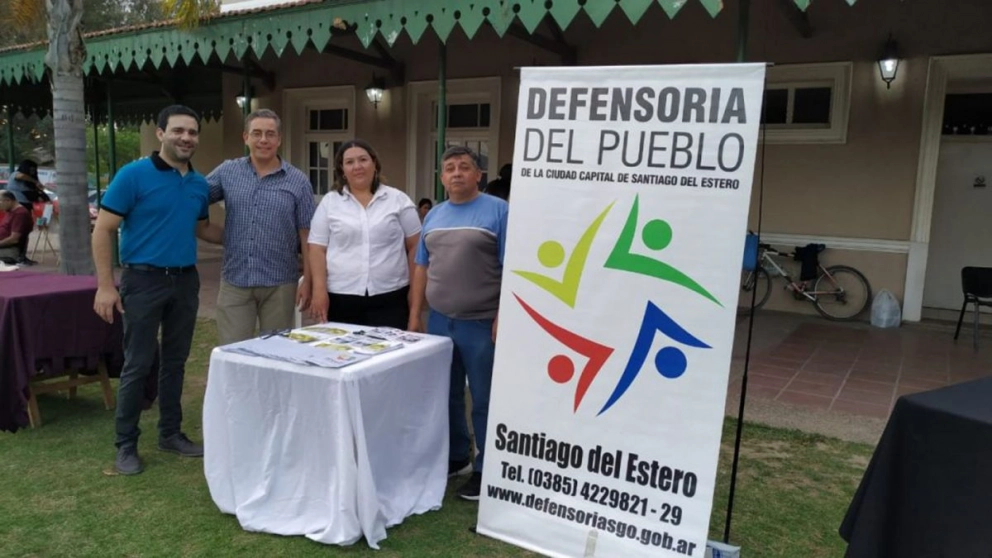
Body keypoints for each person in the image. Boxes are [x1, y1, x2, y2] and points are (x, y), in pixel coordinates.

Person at [92, 105, 223, 476]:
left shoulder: (199, 184)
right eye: (179, 130)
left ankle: (170, 433)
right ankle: (125, 444)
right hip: (143, 280)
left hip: (185, 280)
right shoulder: (133, 175)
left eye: (193, 132)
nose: (187, 138)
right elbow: (103, 230)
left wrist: (251, 236)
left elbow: (203, 230)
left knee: (176, 361)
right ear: (161, 133)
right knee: (138, 362)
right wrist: (105, 285)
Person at [409, 145, 508, 501]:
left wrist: (503, 315)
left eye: (464, 167)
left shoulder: (499, 211)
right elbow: (422, 265)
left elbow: (513, 268)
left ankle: (486, 467)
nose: (456, 173)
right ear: (441, 177)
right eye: (449, 168)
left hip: (481, 323)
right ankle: (457, 456)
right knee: (446, 394)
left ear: (478, 174)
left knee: (482, 397)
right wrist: (415, 314)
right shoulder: (434, 215)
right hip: (439, 322)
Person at [206, 109, 316, 345]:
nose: (263, 140)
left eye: (269, 134)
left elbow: (307, 234)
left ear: (279, 139)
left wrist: (308, 279)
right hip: (235, 281)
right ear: (245, 137)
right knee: (234, 352)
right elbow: (193, 198)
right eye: (256, 133)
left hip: (280, 284)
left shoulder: (298, 181)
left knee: (276, 353)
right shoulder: (227, 172)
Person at [308, 139, 421, 329]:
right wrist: (319, 290)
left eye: (363, 160)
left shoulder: (398, 200)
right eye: (349, 162)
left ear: (374, 164)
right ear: (342, 170)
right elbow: (317, 249)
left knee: (390, 356)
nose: (357, 166)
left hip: (391, 297)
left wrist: (415, 299)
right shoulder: (329, 203)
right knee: (342, 355)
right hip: (341, 297)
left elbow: (416, 247)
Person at [0, 190, 33, 261]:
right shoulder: (10, 211)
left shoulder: (20, 214)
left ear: (8, 200)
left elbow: (14, 239)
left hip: (10, 250)